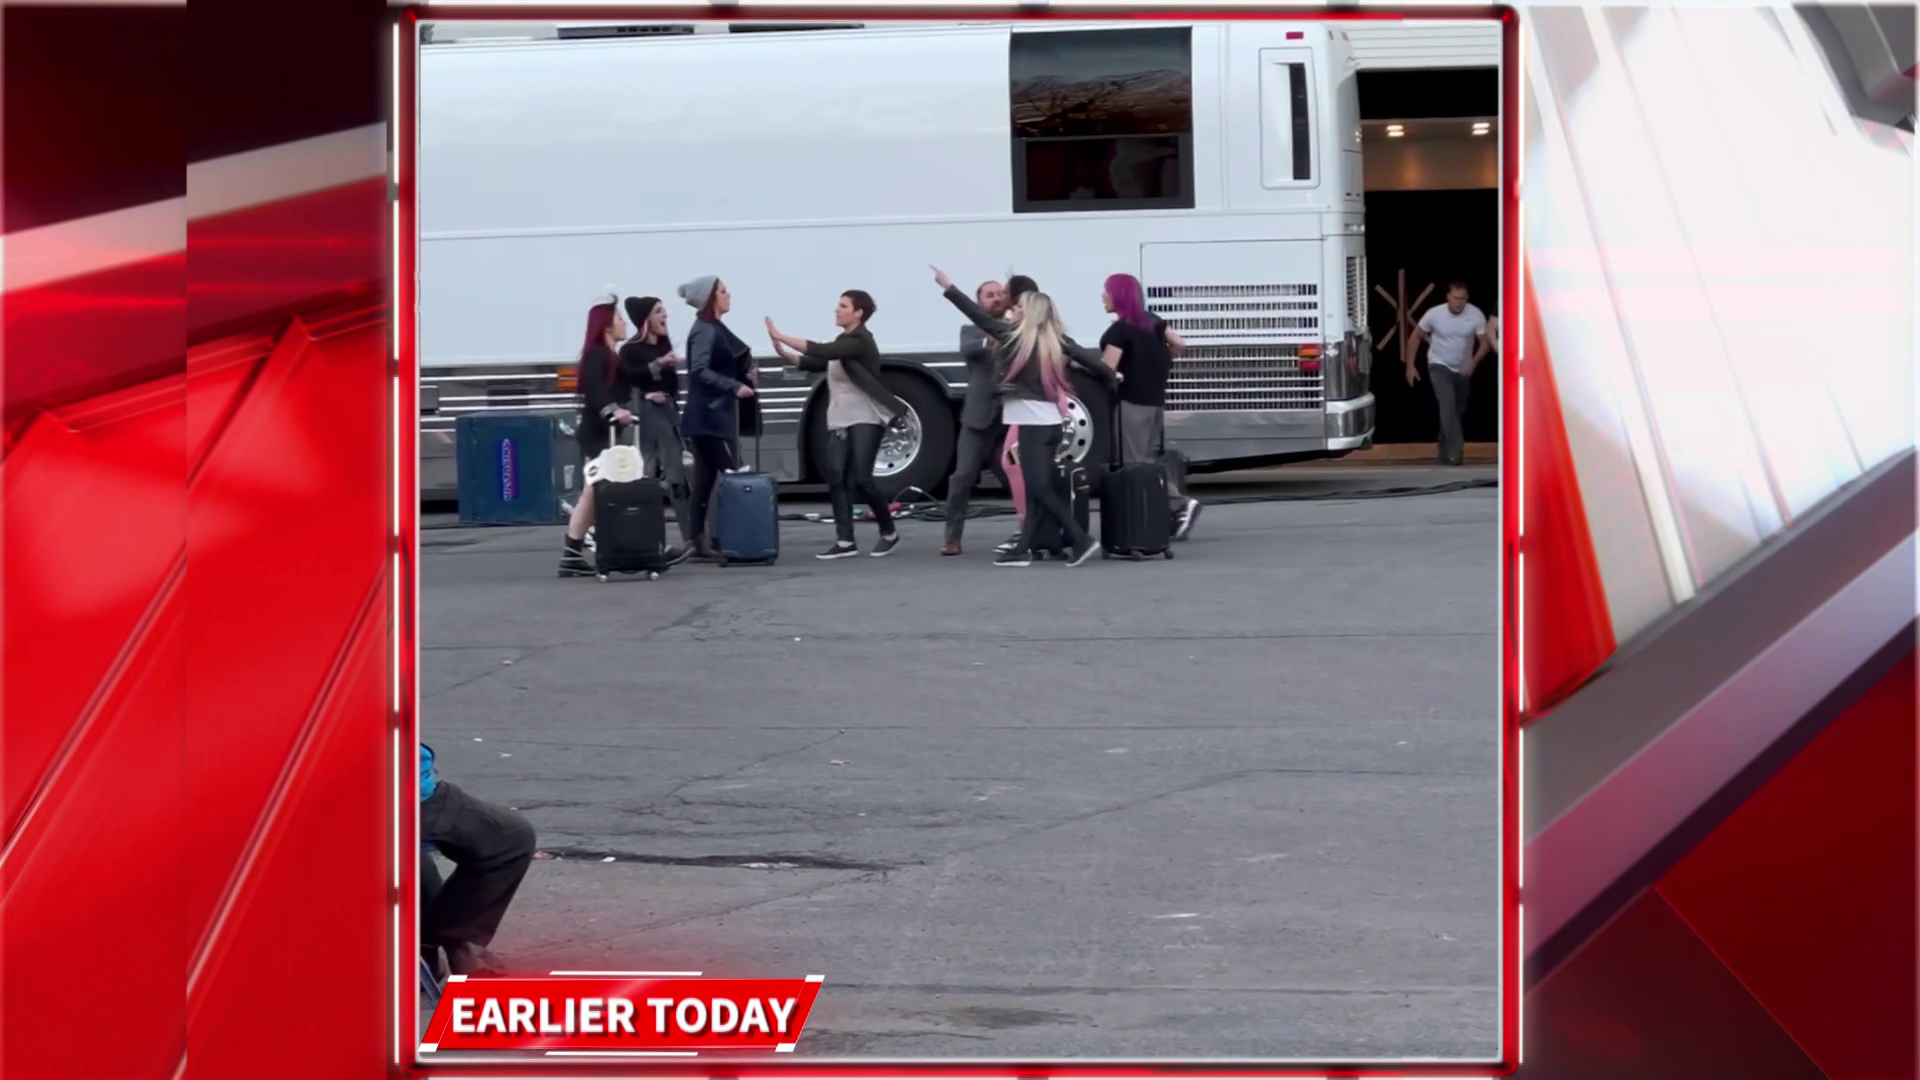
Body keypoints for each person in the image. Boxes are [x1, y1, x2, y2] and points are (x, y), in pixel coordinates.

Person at [932, 266, 1118, 567]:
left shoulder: (1014, 337)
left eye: (1018, 308)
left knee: (1038, 487)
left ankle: (1080, 539)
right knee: (1035, 488)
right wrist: (1113, 377)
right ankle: (1024, 548)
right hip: (1051, 423)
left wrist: (949, 288)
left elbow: (976, 315)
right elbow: (1091, 361)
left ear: (1029, 313)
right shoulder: (1054, 338)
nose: (1013, 310)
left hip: (1033, 424)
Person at [766, 290, 909, 560]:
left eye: (843, 306)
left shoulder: (861, 341)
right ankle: (845, 541)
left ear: (858, 313)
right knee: (836, 477)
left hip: (866, 416)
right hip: (840, 418)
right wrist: (782, 351)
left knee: (862, 478)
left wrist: (781, 335)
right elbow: (815, 361)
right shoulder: (843, 342)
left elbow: (824, 351)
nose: (836, 310)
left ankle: (889, 532)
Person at [1098, 272, 1202, 539]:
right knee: (1149, 461)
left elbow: (1107, 371)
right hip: (1155, 404)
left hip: (1130, 404)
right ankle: (1167, 513)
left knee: (1135, 465)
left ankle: (1179, 504)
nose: (1103, 297)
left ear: (1119, 296)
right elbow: (1179, 343)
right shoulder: (1153, 321)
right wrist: (1160, 360)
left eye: (1106, 292)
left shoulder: (1118, 331)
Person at [419, 743, 537, 977]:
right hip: (394, 793)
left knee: (407, 850)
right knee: (509, 838)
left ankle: (434, 944)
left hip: (403, 785)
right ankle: (451, 940)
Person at [679, 275, 758, 559]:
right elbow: (699, 370)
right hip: (709, 418)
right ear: (710, 297)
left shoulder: (712, 328)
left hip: (707, 417)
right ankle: (739, 537)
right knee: (733, 473)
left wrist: (744, 376)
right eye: (723, 291)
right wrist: (734, 385)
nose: (728, 294)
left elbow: (717, 365)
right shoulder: (705, 330)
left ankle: (698, 540)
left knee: (705, 480)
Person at [559, 295, 635, 578]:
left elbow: (633, 377)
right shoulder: (597, 354)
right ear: (606, 326)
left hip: (606, 434)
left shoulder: (612, 356)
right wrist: (612, 411)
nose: (624, 323)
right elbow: (593, 388)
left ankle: (575, 553)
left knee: (594, 493)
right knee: (596, 491)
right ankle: (585, 551)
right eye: (619, 318)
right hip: (597, 434)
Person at [939, 280, 1016, 556]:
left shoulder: (1016, 328)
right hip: (978, 418)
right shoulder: (970, 331)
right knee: (962, 477)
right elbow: (970, 350)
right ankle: (952, 538)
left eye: (1000, 294)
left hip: (1009, 418)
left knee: (1017, 476)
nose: (996, 299)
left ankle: (1031, 530)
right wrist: (991, 339)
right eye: (989, 295)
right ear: (979, 302)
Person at [620, 296, 698, 547]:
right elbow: (629, 378)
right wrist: (658, 368)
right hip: (648, 417)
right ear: (646, 319)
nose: (665, 315)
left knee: (679, 476)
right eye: (658, 311)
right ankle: (648, 538)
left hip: (668, 413)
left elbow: (671, 384)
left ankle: (692, 536)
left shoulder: (664, 345)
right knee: (652, 473)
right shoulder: (631, 350)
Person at [1406, 282, 1490, 467]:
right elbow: (1415, 336)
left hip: (1463, 368)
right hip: (1439, 365)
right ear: (1448, 297)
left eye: (1462, 299)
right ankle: (1455, 453)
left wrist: (1473, 362)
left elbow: (1484, 342)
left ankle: (1444, 448)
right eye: (1455, 298)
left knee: (1457, 410)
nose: (1459, 302)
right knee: (1447, 405)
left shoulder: (1475, 314)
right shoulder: (1434, 314)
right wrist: (1410, 367)